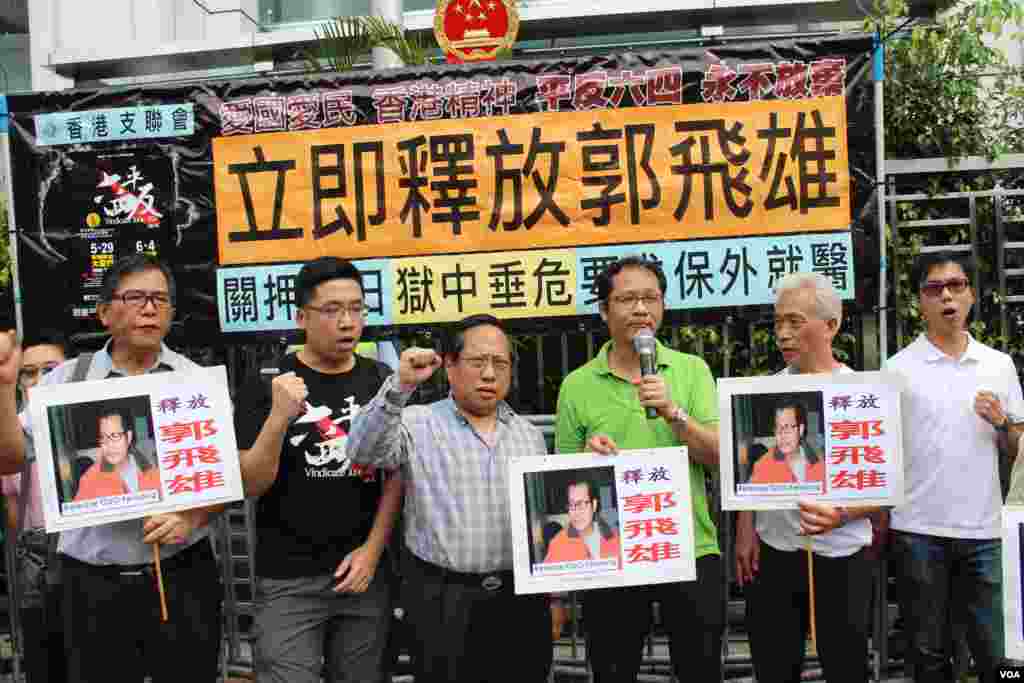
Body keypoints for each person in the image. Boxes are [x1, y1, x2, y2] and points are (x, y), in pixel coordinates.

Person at [0, 254, 223, 683]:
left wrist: (190, 517)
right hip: (91, 582)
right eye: (135, 297)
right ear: (104, 312)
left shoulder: (196, 382)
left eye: (160, 298)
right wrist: (3, 385)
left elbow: (226, 483)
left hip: (180, 573)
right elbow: (10, 457)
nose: (149, 308)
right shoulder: (64, 381)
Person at [347, 314, 552, 683]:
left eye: (500, 363)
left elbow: (545, 524)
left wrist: (551, 598)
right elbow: (363, 451)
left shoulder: (529, 436)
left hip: (519, 600)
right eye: (477, 362)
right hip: (441, 600)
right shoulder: (416, 423)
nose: (489, 374)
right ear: (451, 366)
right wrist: (399, 387)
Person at [554, 255, 723, 682]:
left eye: (651, 298)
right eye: (628, 299)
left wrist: (673, 412)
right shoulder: (577, 384)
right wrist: (586, 461)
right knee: (613, 669)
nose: (642, 309)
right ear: (604, 310)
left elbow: (720, 456)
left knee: (700, 667)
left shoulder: (692, 370)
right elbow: (561, 485)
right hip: (610, 555)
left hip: (688, 546)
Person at [235, 257, 402, 683]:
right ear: (301, 316)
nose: (347, 322)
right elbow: (250, 483)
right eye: (331, 310)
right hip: (287, 579)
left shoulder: (381, 381)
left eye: (356, 308)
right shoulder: (266, 383)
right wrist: (278, 417)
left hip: (364, 576)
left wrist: (373, 551)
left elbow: (397, 476)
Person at [885, 252, 1023, 683]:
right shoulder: (897, 370)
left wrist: (1002, 422)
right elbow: (883, 453)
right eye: (934, 288)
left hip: (985, 532)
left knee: (999, 658)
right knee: (928, 657)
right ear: (919, 302)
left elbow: (1019, 449)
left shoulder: (998, 365)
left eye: (956, 285)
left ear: (971, 295)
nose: (947, 295)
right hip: (917, 531)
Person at [735, 272, 878, 683]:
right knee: (774, 663)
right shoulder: (763, 392)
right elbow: (749, 472)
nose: (782, 333)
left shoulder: (864, 393)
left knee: (846, 664)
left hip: (842, 553)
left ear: (831, 325)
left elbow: (888, 489)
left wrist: (845, 514)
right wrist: (747, 529)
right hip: (775, 549)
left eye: (795, 322)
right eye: (778, 322)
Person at [2, 330, 68, 683]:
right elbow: (14, 517)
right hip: (37, 565)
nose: (39, 380)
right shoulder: (10, 436)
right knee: (45, 664)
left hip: (91, 564)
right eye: (28, 372)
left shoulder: (94, 426)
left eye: (51, 368)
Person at [73, 406, 160, 502]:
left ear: (129, 437)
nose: (108, 444)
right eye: (103, 437)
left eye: (115, 436)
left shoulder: (153, 473)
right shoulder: (90, 481)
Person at [748, 398, 825, 486]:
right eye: (778, 427)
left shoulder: (819, 464)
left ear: (801, 430)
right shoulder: (762, 467)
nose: (782, 435)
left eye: (788, 427)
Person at [544, 478, 621, 563]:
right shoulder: (558, 545)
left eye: (581, 504)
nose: (576, 512)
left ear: (594, 505)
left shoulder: (615, 539)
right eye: (571, 505)